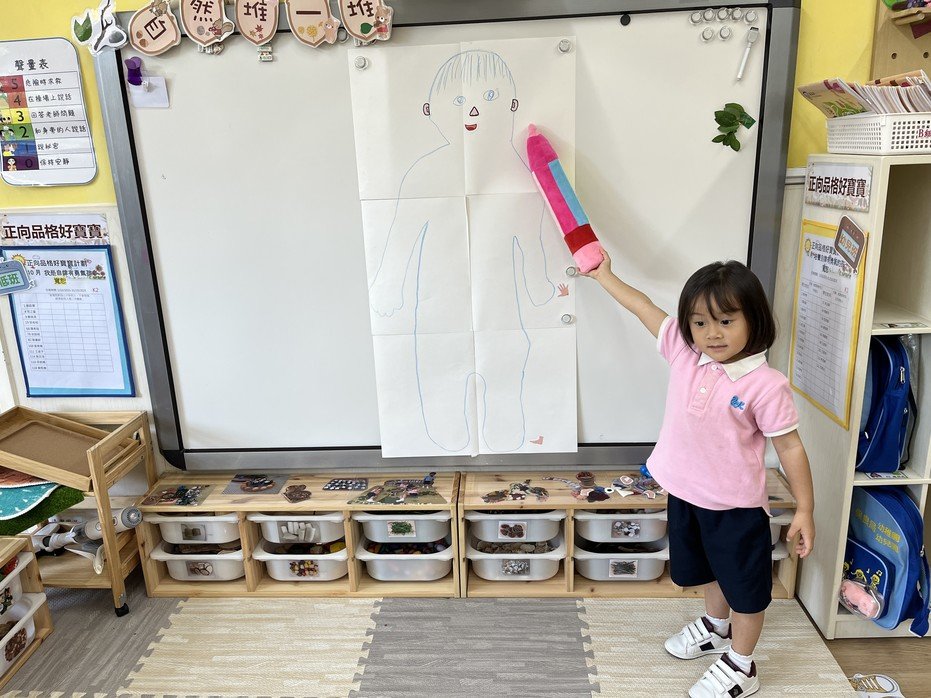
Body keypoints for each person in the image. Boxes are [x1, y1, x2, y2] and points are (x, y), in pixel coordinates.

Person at [584, 251, 815, 698]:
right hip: (685, 495)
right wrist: (605, 276)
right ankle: (715, 627)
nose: (712, 333)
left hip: (734, 510)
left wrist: (804, 508)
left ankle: (743, 666)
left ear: (753, 319)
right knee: (708, 571)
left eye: (726, 321)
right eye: (700, 323)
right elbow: (642, 306)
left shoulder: (766, 385)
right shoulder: (686, 353)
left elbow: (790, 447)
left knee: (745, 590)